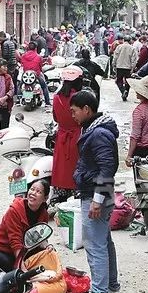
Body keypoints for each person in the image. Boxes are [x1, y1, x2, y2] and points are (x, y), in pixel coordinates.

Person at [70, 90, 120, 293]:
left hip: (96, 194)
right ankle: (111, 284)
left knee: (95, 244)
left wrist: (97, 200)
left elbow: (107, 168)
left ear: (86, 109)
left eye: (74, 111)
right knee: (104, 240)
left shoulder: (98, 134)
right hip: (99, 192)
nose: (73, 115)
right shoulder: (95, 129)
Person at [0, 179, 51, 271]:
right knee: (14, 269)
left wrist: (47, 246)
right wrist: (22, 268)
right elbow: (15, 241)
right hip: (3, 249)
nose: (33, 193)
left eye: (38, 192)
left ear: (45, 198)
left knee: (47, 256)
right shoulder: (14, 211)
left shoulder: (44, 214)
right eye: (32, 189)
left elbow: (41, 238)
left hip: (25, 249)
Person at [51, 66, 85, 203]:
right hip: (77, 137)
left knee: (62, 169)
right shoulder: (79, 99)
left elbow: (55, 118)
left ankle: (61, 197)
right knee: (75, 168)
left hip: (61, 138)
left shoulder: (56, 98)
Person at [19, 40, 52, 111]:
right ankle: (47, 102)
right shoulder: (39, 57)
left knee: (20, 85)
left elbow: (22, 64)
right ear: (36, 48)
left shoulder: (23, 56)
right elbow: (40, 67)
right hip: (36, 74)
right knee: (44, 86)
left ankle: (18, 100)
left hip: (26, 75)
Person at [112, 34, 138, 101]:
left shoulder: (119, 47)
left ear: (124, 40)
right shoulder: (132, 48)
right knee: (128, 82)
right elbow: (134, 60)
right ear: (130, 40)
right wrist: (132, 68)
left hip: (119, 66)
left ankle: (123, 91)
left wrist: (114, 65)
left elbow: (115, 57)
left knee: (118, 81)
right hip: (128, 67)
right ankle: (125, 93)